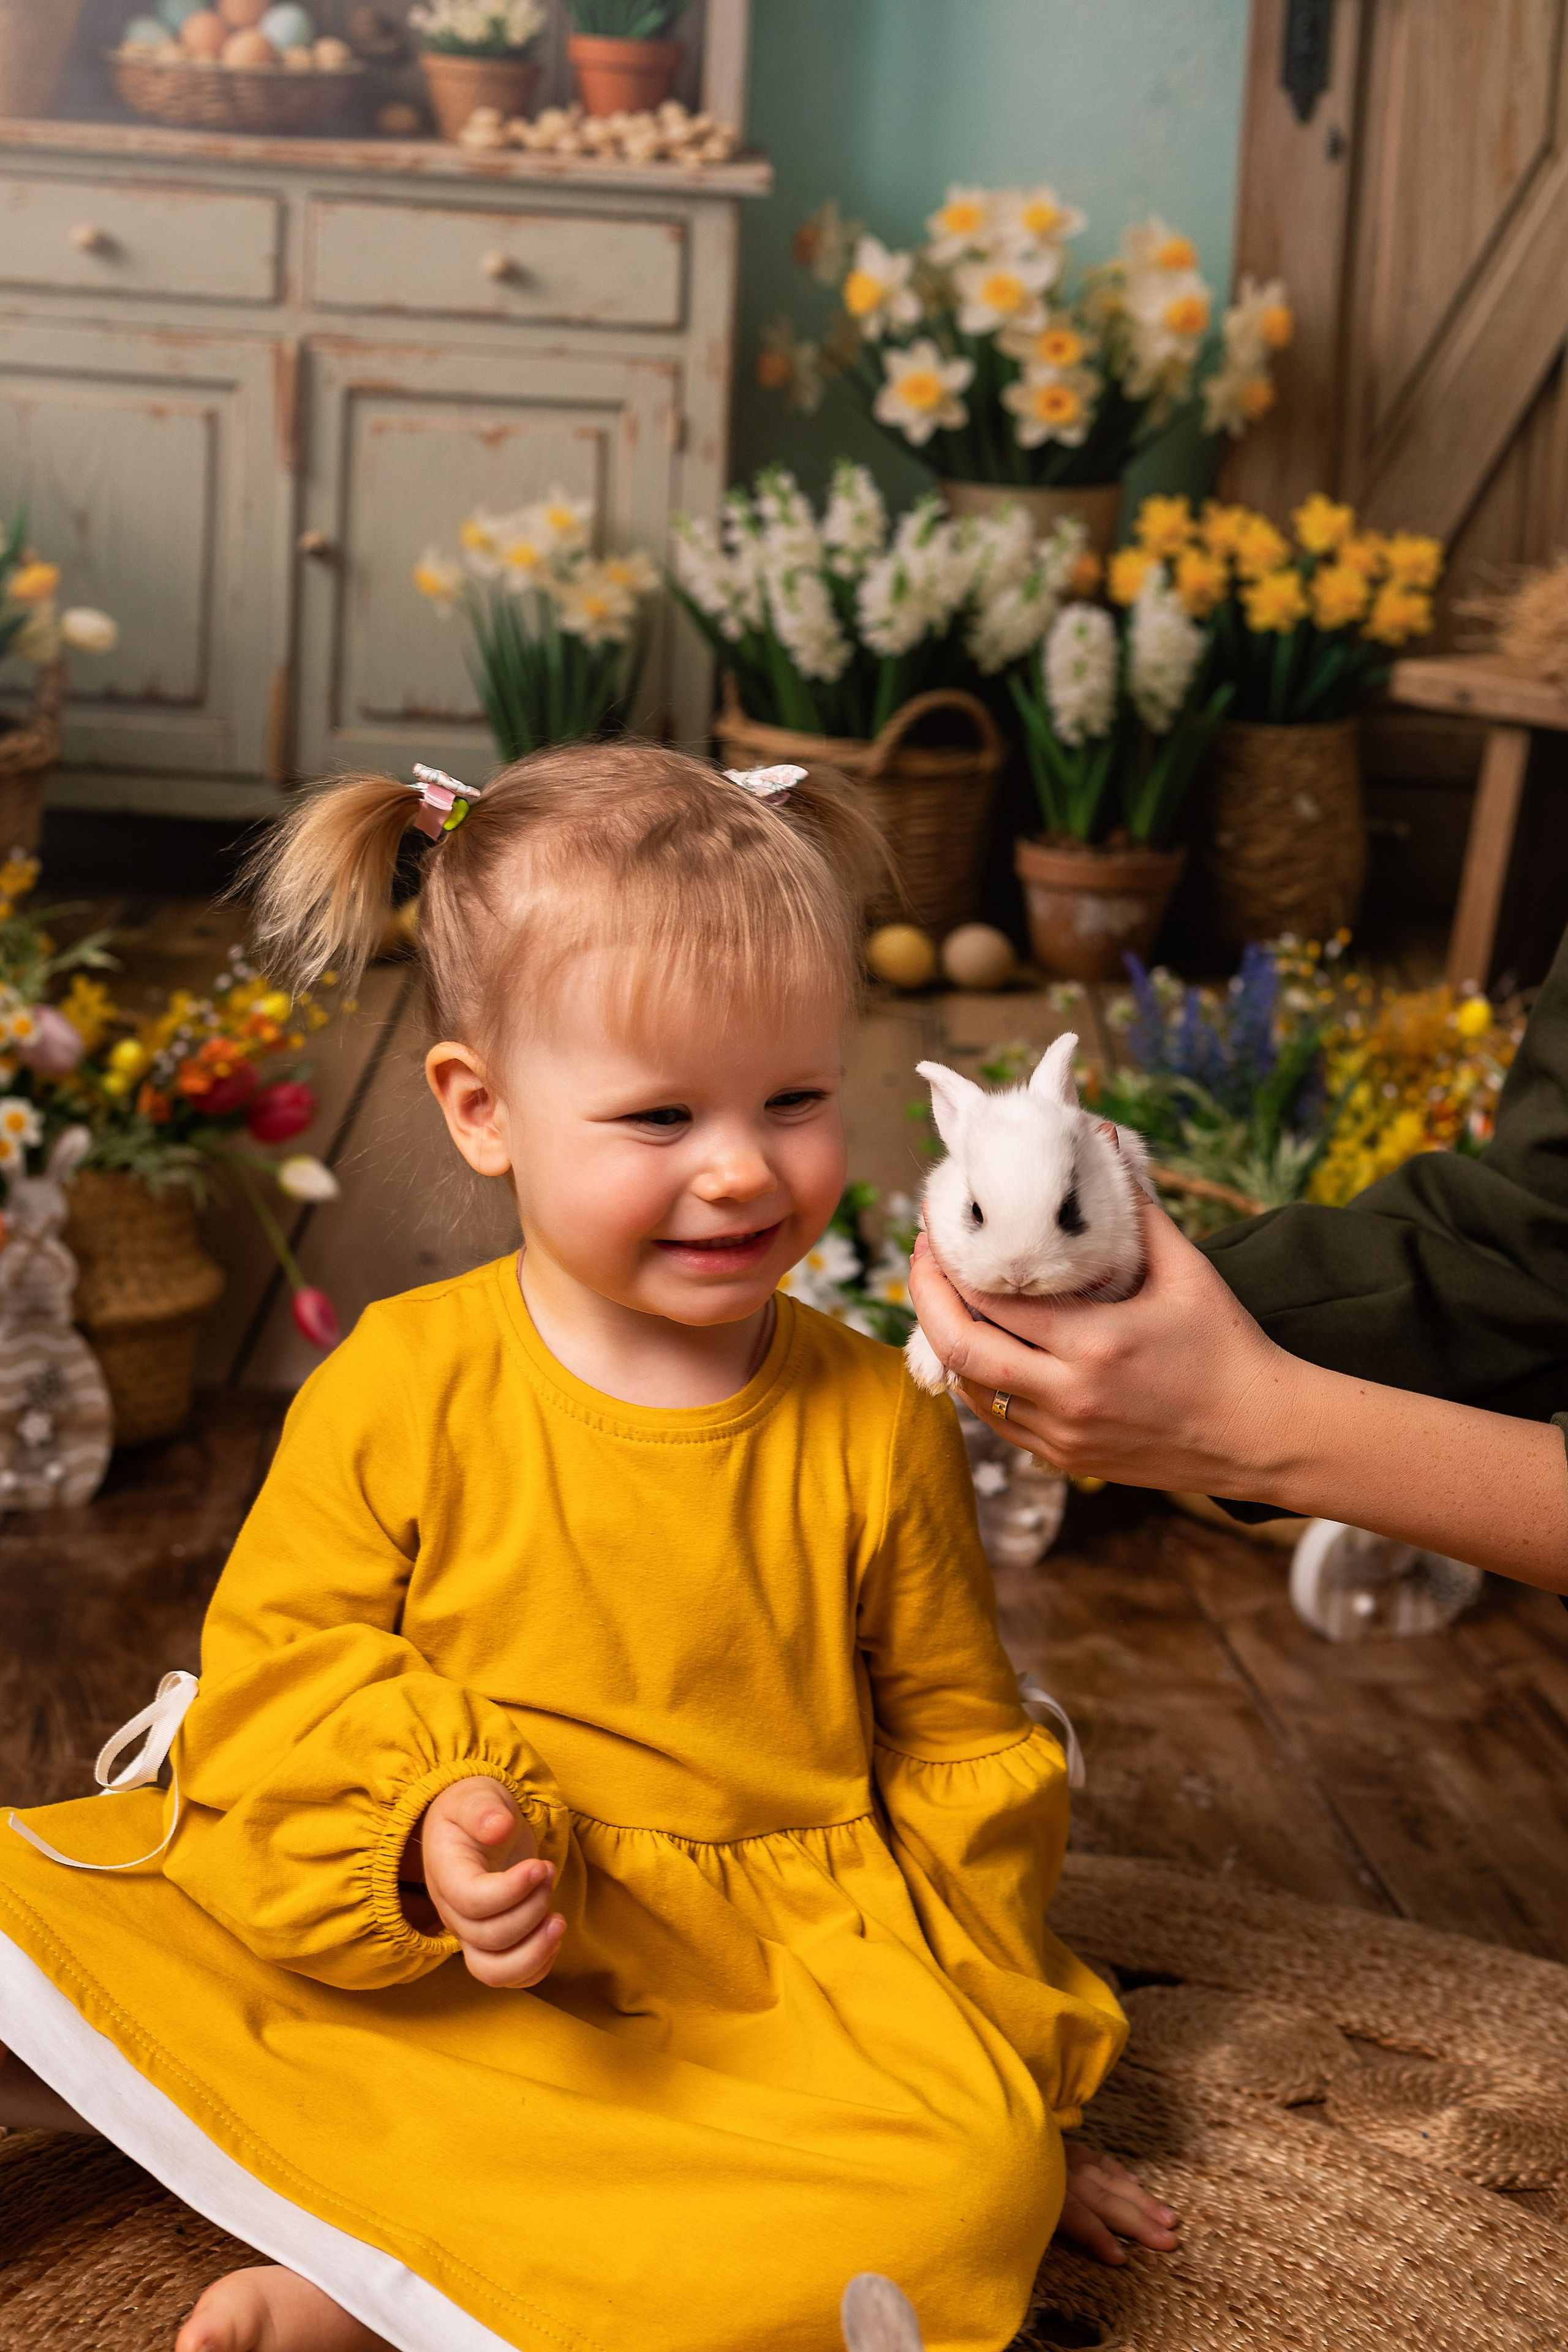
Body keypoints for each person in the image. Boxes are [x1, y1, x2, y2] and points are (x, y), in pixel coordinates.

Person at [0, 745, 1174, 2352]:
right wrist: (427, 1828)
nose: (743, 1166)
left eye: (794, 1100)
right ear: (484, 1112)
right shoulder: (404, 1382)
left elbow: (959, 1752)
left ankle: (366, 2272)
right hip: (456, 1954)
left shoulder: (877, 1420)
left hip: (749, 2000)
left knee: (958, 2196)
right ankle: (423, 2217)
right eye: (660, 1115)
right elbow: (283, 1674)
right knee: (44, 1918)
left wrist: (1028, 2090)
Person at [905, 928, 1568, 1594]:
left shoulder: (1092, 1170)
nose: (1024, 1271)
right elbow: (1529, 1219)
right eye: (978, 1218)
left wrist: (1245, 1413)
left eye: (1068, 1218)